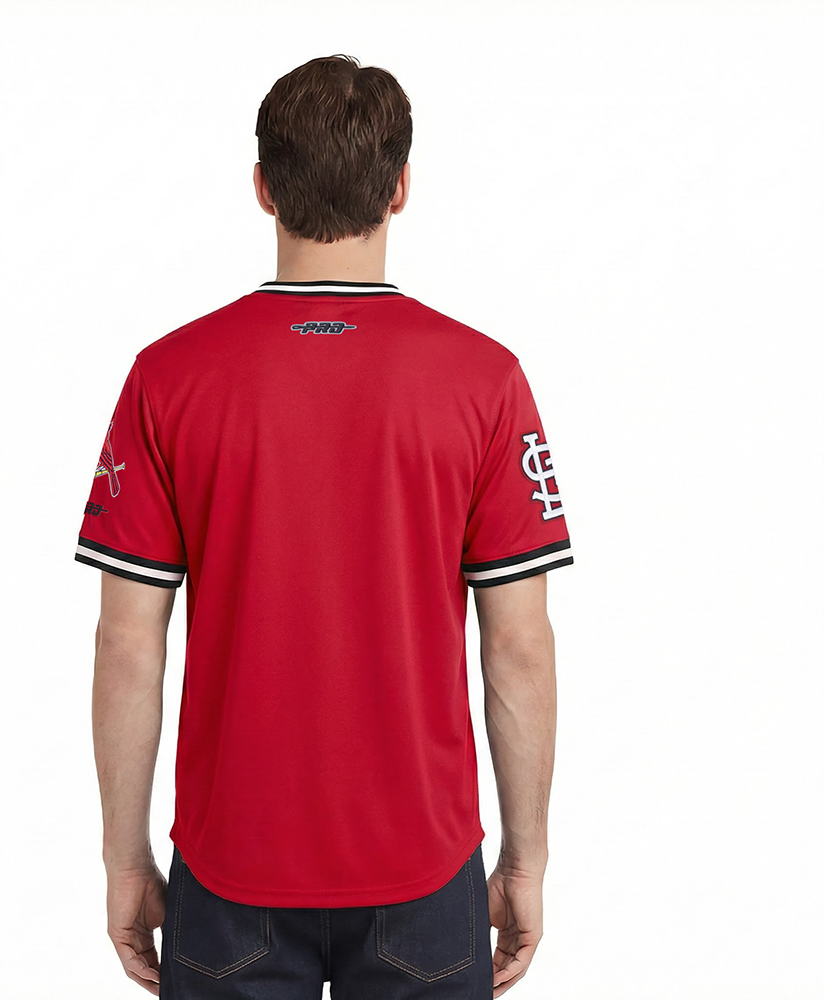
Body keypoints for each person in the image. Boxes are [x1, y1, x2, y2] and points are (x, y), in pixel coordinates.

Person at [75, 53, 573, 1000]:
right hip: (425, 870)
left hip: (230, 871)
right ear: (401, 187)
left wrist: (124, 857)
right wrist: (526, 859)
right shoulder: (485, 380)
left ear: (263, 187)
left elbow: (128, 641)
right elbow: (518, 645)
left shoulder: (168, 376)